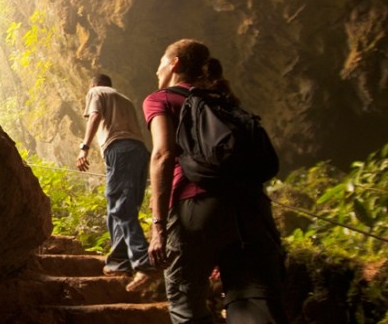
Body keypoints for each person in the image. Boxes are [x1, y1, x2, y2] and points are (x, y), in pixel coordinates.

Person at [143, 39, 287, 323]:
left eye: (161, 62)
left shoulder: (161, 99)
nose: (157, 70)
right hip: (251, 209)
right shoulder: (223, 100)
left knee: (186, 306)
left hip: (195, 208)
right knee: (255, 303)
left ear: (174, 64)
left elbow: (162, 155)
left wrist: (158, 226)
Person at [77, 73, 157, 291]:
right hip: (140, 151)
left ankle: (143, 262)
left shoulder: (96, 91)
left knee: (120, 206)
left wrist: (84, 147)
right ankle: (119, 263)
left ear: (94, 84)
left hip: (119, 149)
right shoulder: (125, 99)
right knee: (123, 208)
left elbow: (94, 116)